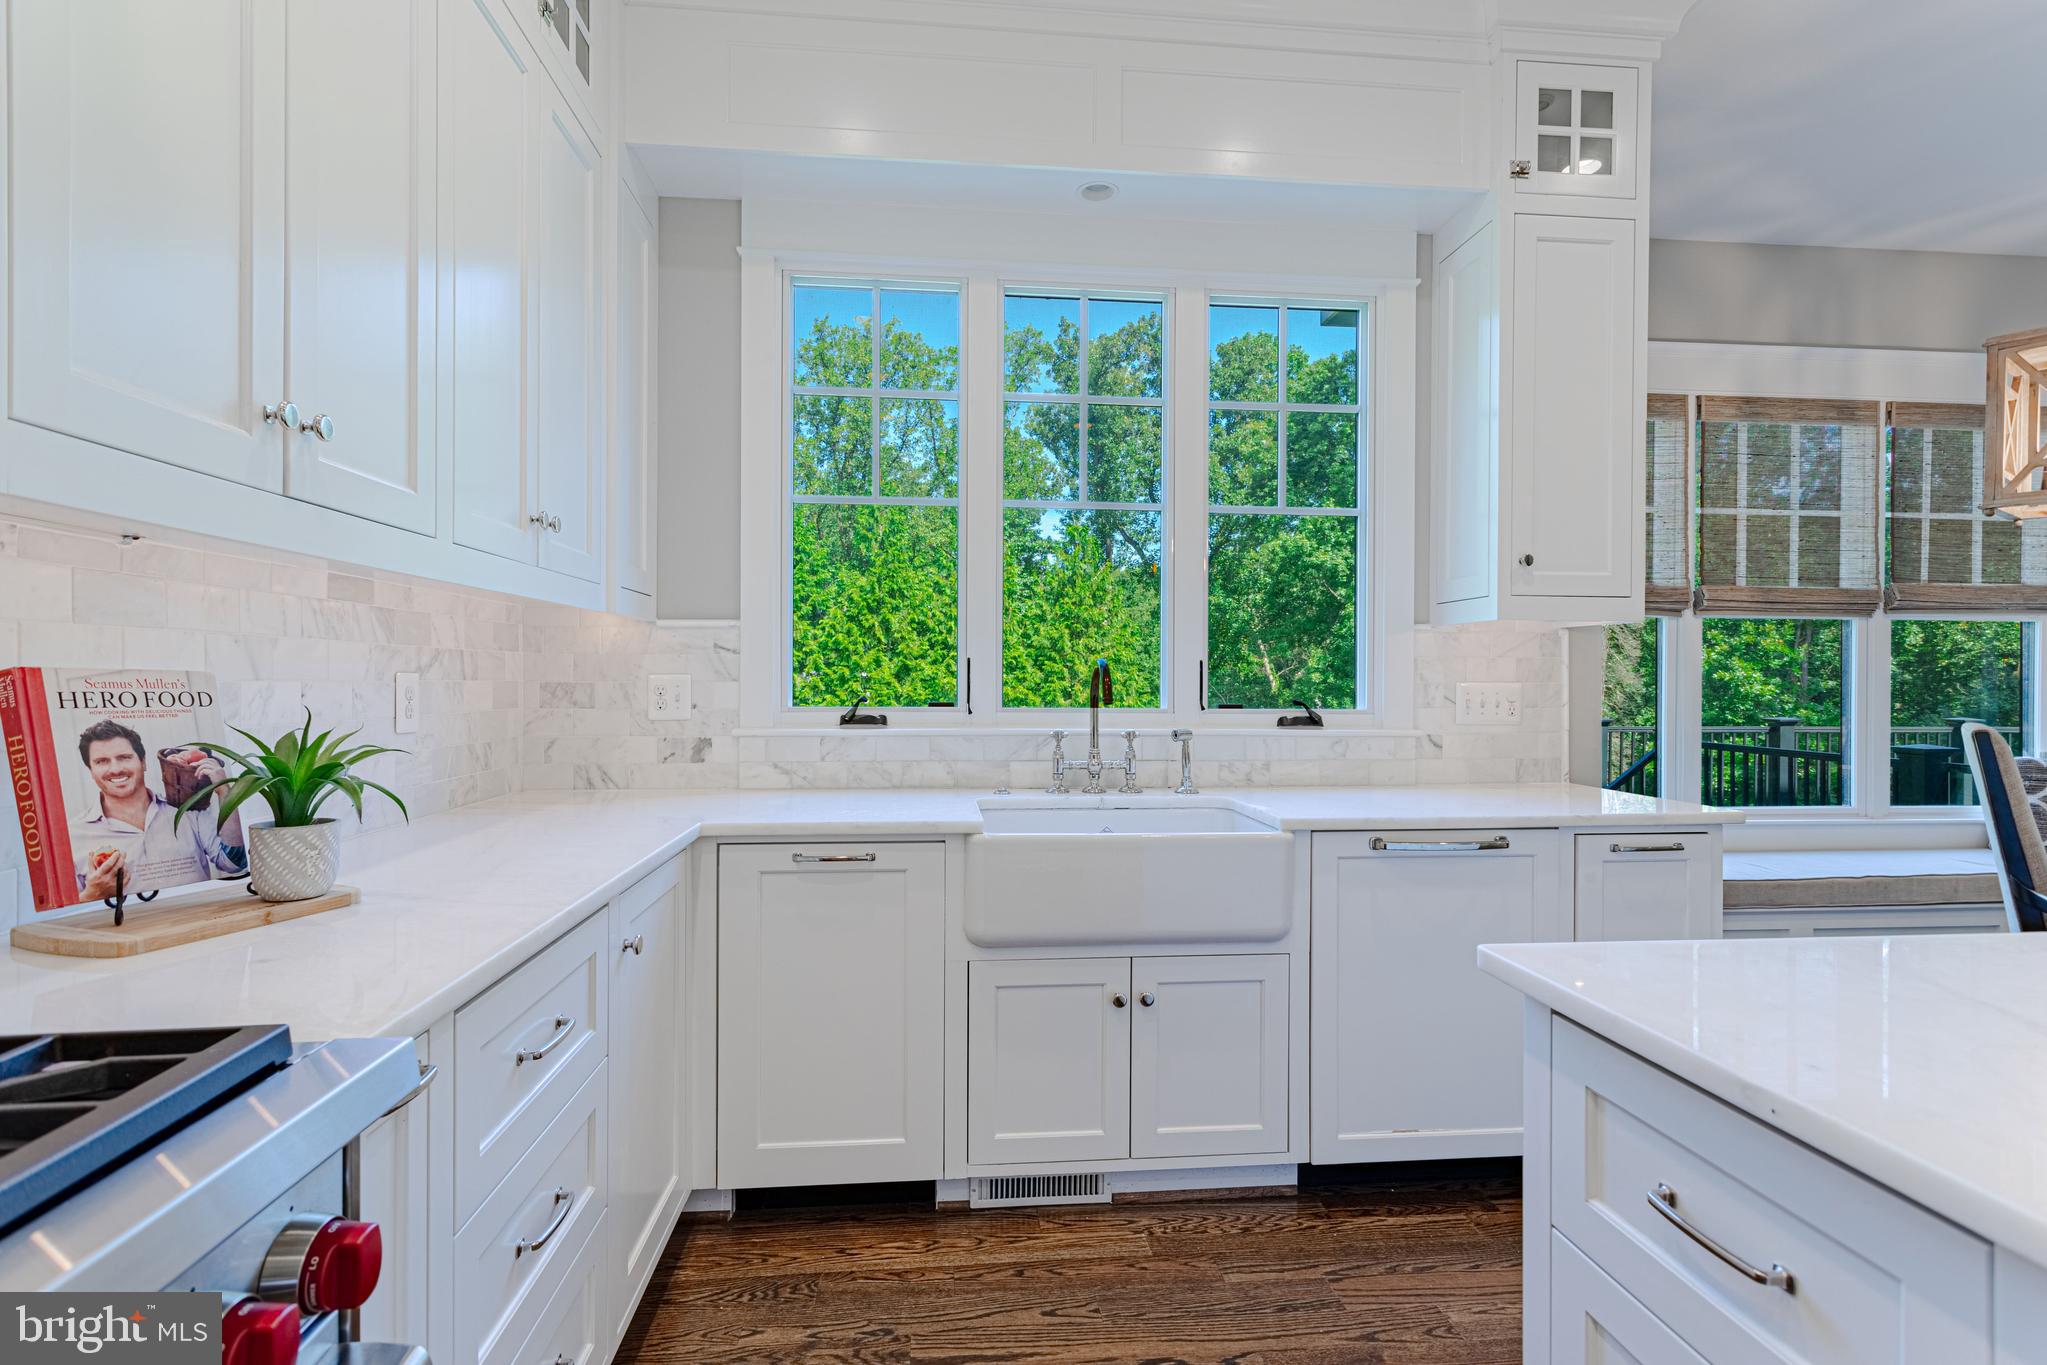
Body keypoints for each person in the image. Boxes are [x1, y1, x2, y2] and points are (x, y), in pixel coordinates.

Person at [71, 719, 246, 901]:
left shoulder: (187, 810)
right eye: (101, 761)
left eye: (124, 757)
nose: (115, 769)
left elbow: (234, 863)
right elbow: (64, 915)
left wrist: (223, 790)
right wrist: (92, 894)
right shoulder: (73, 836)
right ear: (91, 770)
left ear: (143, 763)